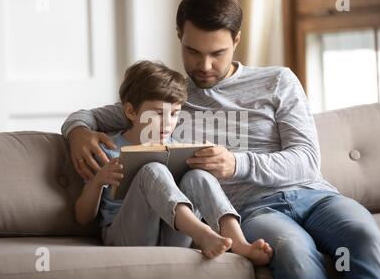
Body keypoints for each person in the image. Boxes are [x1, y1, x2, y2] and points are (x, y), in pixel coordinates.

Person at [62, 0, 380, 279]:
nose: (204, 65)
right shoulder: (171, 97)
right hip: (255, 210)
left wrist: (236, 164)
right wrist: (78, 131)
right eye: (192, 51)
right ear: (179, 37)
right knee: (295, 254)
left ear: (236, 40)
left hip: (317, 197)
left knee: (364, 236)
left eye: (217, 53)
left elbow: (306, 161)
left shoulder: (278, 81)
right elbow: (94, 114)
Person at [74, 60, 273, 265]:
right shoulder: (107, 149)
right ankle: (202, 233)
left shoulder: (175, 147)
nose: (168, 123)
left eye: (175, 113)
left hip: (172, 238)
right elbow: (82, 217)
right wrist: (98, 181)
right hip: (127, 237)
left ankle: (239, 242)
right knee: (152, 169)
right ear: (131, 112)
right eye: (159, 114)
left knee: (198, 175)